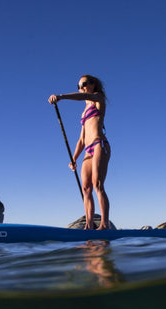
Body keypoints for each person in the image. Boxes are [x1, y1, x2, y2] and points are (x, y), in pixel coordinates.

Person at [48, 75, 111, 230]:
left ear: (93, 84)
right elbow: (81, 140)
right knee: (86, 188)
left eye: (83, 84)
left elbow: (84, 96)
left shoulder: (98, 98)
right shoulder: (83, 113)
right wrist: (74, 158)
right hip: (87, 150)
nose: (81, 87)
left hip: (99, 144)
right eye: (78, 85)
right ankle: (88, 226)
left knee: (97, 184)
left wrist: (61, 97)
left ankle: (104, 224)